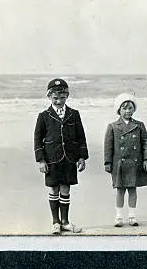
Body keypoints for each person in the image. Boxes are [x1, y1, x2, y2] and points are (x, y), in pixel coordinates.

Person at [34, 78, 88, 235]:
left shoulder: (74, 114)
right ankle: (55, 222)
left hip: (69, 158)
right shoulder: (43, 116)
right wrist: (41, 160)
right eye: (55, 98)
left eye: (62, 97)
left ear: (67, 96)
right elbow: (37, 139)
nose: (58, 101)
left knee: (65, 188)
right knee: (53, 189)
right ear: (49, 97)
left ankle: (65, 222)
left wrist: (81, 157)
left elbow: (81, 137)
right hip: (51, 159)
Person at [104, 93, 147, 227]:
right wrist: (107, 162)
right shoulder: (112, 126)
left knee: (132, 189)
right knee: (120, 190)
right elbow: (108, 146)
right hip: (119, 163)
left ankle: (132, 216)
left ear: (134, 109)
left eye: (130, 108)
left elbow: (145, 143)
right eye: (124, 108)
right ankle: (119, 217)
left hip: (134, 162)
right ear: (119, 110)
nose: (127, 111)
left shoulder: (139, 125)